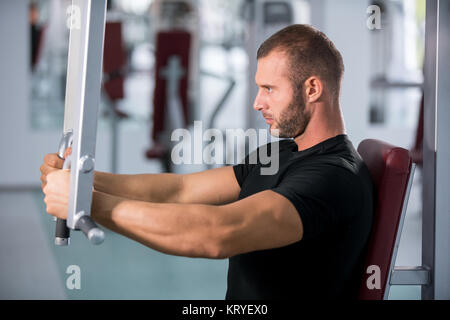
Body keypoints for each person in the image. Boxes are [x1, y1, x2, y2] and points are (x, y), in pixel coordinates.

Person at [40, 24, 374, 299]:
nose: (258, 102)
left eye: (269, 89)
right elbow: (180, 189)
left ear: (312, 88)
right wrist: (85, 180)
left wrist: (86, 203)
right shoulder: (283, 152)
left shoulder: (334, 177)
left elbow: (218, 233)